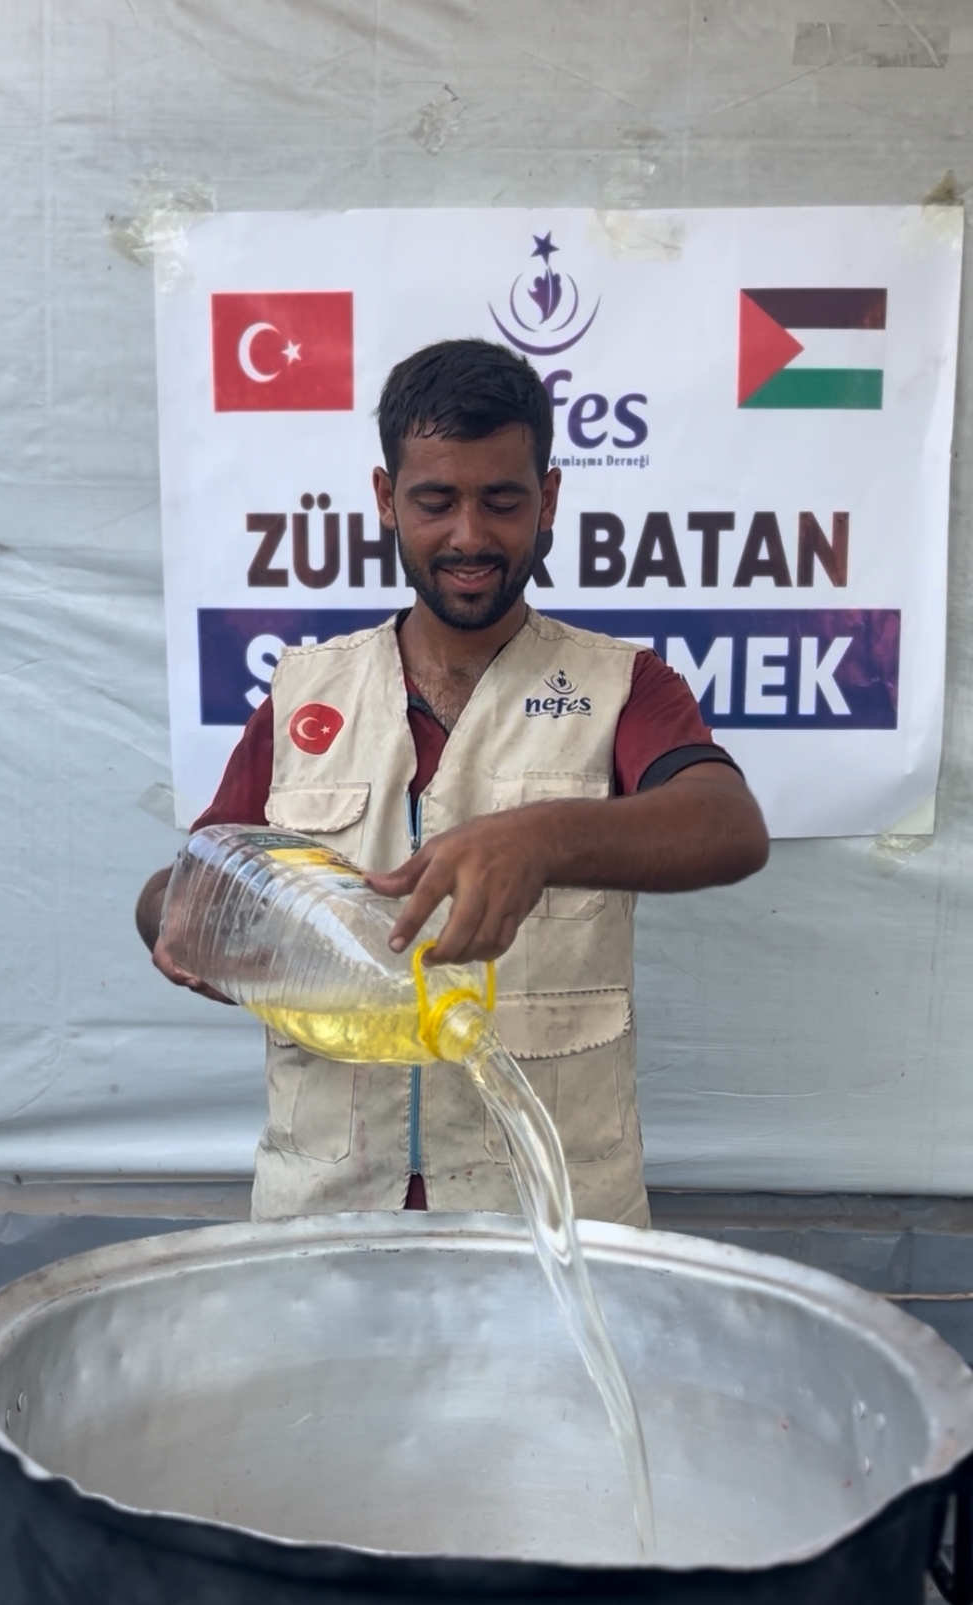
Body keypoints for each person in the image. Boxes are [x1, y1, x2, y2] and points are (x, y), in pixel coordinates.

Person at [137, 339, 769, 1227]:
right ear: (386, 498)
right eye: (435, 502)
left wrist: (543, 838)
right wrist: (184, 923)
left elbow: (727, 827)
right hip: (328, 1214)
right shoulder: (305, 693)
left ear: (549, 500)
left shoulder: (624, 685)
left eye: (502, 501)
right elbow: (195, 882)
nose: (470, 536)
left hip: (549, 1216)